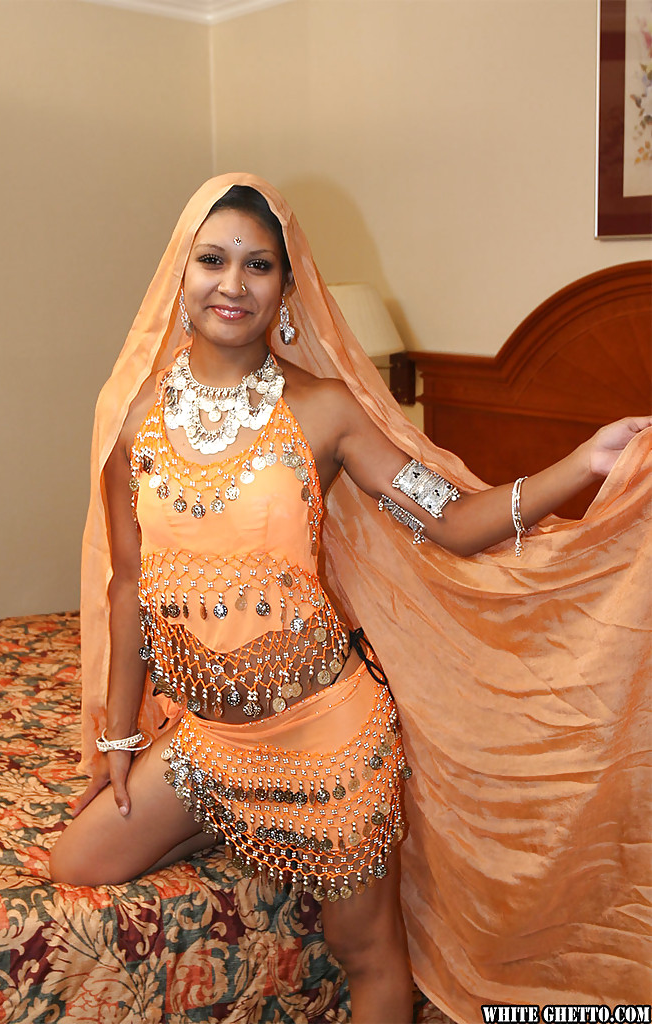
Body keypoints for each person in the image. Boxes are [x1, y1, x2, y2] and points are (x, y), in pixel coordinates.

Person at [49, 174, 652, 1024]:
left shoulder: (325, 410)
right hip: (210, 740)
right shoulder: (135, 416)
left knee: (365, 953)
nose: (232, 283)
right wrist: (117, 738)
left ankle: (276, 819)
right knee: (77, 862)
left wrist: (584, 464)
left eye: (258, 265)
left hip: (321, 741)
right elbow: (127, 584)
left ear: (286, 288)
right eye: (212, 260)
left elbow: (454, 522)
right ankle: (238, 817)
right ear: (179, 274)